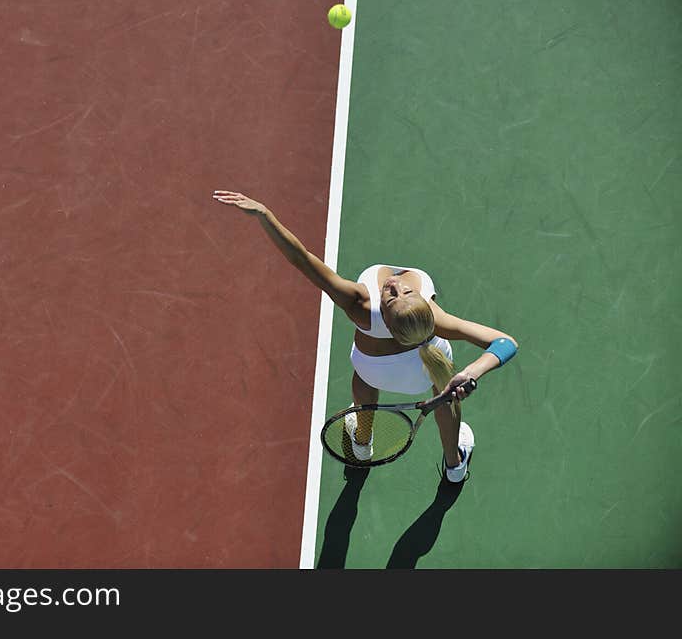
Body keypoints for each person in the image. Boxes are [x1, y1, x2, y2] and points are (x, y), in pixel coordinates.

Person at [213, 190, 518, 482]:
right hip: (426, 373)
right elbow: (505, 343)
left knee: (363, 379)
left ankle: (362, 441)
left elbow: (302, 259)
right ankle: (454, 464)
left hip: (375, 373)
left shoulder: (361, 304)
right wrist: (468, 373)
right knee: (446, 398)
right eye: (399, 292)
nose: (395, 286)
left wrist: (265, 215)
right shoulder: (434, 318)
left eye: (396, 294)